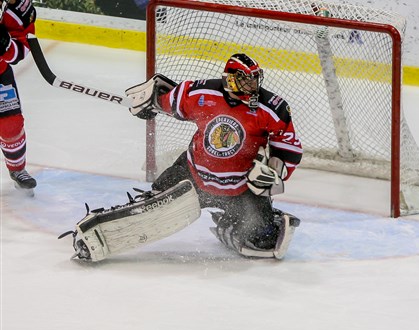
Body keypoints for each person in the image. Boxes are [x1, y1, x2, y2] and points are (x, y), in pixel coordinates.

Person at [61, 53, 303, 261]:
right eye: (246, 80)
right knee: (150, 208)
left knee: (265, 240)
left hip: (240, 189)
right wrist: (152, 102)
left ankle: (230, 221)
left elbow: (288, 147)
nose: (253, 86)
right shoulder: (200, 92)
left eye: (255, 79)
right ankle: (99, 230)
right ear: (231, 79)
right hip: (192, 176)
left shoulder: (272, 108)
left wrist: (276, 172)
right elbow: (168, 100)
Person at [0, 0, 37, 193]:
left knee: (11, 125)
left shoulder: (17, 9)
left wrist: (6, 46)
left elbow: (21, 49)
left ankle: (17, 170)